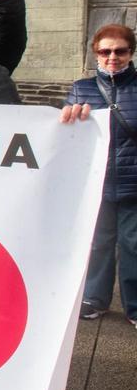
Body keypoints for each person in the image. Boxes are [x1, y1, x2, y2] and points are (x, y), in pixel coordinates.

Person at [62, 24, 137, 328]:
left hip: (133, 181)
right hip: (98, 181)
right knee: (99, 242)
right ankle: (95, 298)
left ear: (130, 53)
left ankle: (134, 304)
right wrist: (69, 116)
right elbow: (66, 132)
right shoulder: (82, 88)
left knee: (133, 244)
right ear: (96, 54)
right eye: (105, 51)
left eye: (120, 51)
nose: (112, 57)